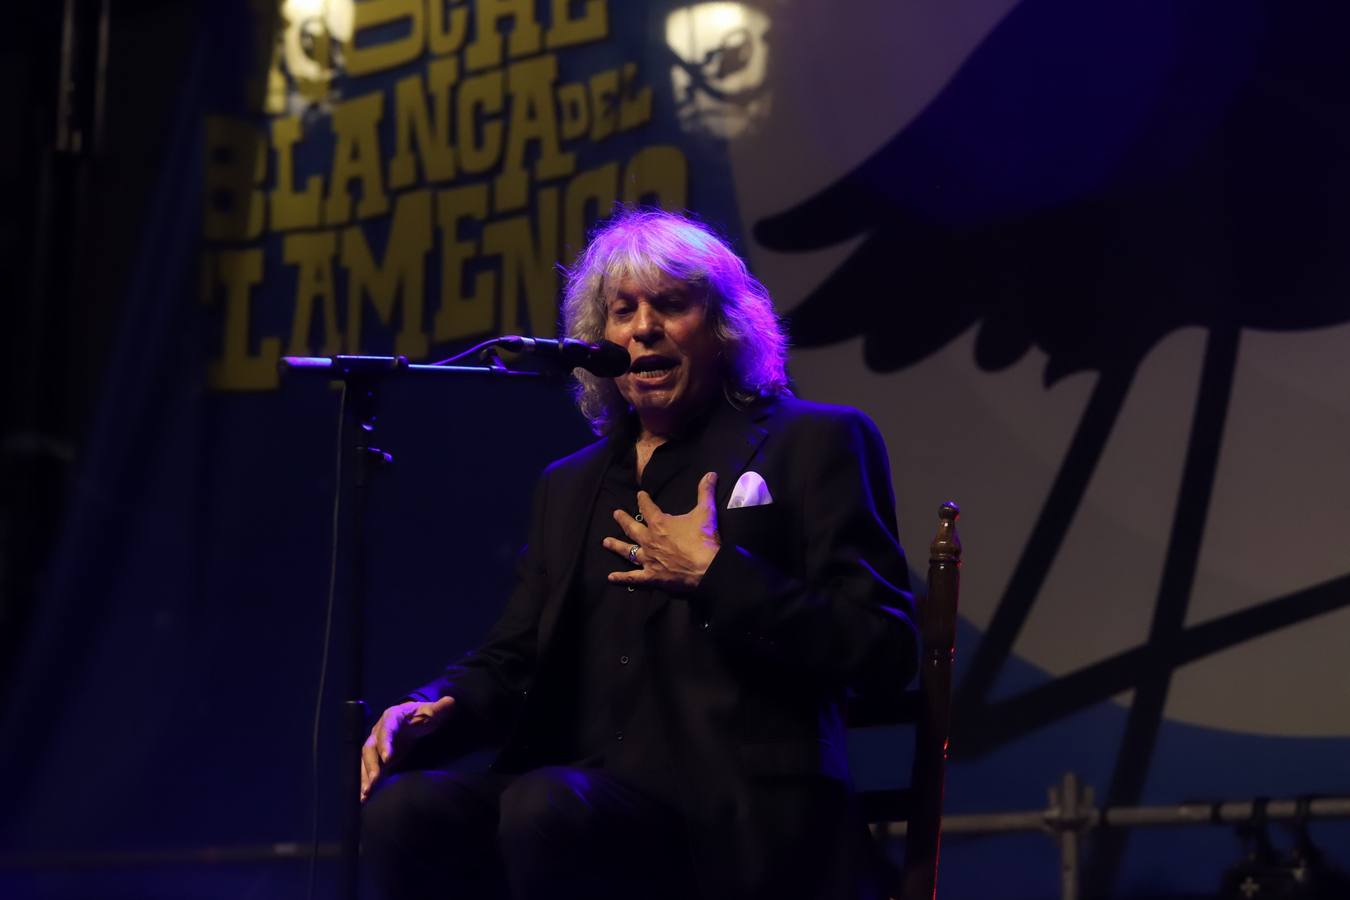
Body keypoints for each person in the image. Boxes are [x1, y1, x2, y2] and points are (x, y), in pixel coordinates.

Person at [360, 208, 919, 900]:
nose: (643, 328)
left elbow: (886, 649)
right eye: (622, 312)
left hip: (737, 816)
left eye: (671, 306)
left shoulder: (814, 444)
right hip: (579, 800)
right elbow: (514, 659)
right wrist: (434, 707)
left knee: (545, 808)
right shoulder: (570, 484)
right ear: (599, 342)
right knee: (406, 810)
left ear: (723, 327)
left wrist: (717, 575)